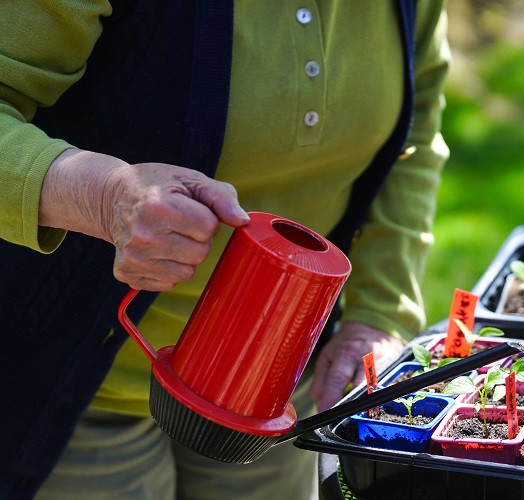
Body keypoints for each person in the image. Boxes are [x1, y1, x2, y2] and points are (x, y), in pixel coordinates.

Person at [0, 1, 450, 499]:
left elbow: (419, 127)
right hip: (76, 389)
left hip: (273, 391)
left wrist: (380, 311)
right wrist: (104, 195)